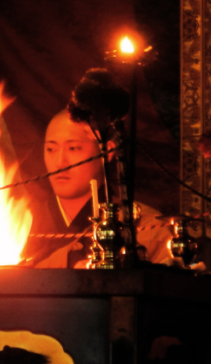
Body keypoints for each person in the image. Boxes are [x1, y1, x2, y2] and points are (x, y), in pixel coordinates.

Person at [26, 110, 173, 268]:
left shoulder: (144, 228)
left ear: (107, 151)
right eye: (51, 149)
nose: (60, 162)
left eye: (73, 148)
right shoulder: (18, 223)